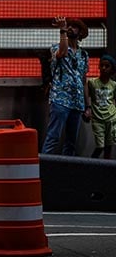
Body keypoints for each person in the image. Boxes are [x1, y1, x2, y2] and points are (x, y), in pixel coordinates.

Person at [41, 17, 89, 155]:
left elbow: (84, 80)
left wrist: (87, 105)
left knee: (71, 142)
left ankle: (66, 173)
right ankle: (45, 169)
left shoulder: (84, 55)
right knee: (53, 137)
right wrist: (62, 30)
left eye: (74, 27)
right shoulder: (57, 47)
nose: (70, 28)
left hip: (77, 102)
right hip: (60, 100)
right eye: (69, 26)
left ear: (80, 33)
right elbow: (62, 53)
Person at [85, 53, 116, 160]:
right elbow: (86, 93)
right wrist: (87, 108)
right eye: (102, 65)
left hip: (111, 118)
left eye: (107, 66)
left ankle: (107, 169)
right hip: (98, 119)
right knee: (100, 146)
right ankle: (91, 164)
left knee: (109, 146)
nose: (103, 68)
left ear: (112, 69)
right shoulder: (92, 83)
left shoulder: (113, 85)